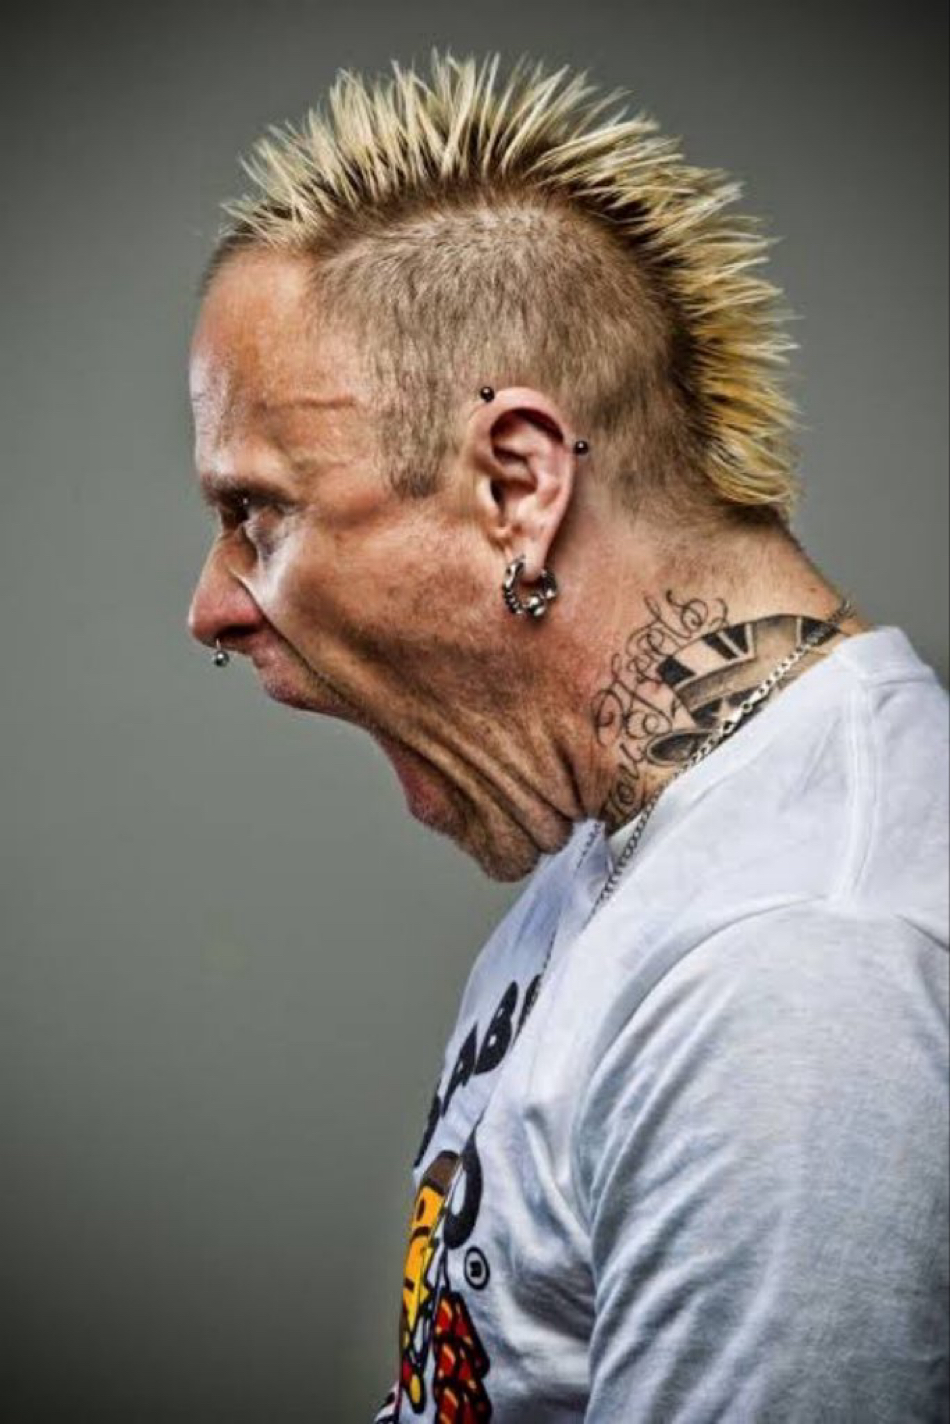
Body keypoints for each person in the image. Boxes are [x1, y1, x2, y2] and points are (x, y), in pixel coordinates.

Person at [186, 51, 949, 1422]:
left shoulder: (789, 976)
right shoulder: (636, 843)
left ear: (516, 485)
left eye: (259, 513)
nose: (214, 608)